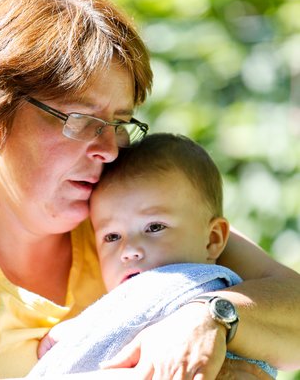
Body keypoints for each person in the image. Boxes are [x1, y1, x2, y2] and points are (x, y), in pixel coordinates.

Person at [0, 0, 299, 379]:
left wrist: (212, 317)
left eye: (119, 122)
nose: (110, 150)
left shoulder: (125, 206)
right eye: (81, 119)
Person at [30, 133, 276, 379]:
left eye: (154, 227)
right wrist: (83, 332)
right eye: (112, 237)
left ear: (212, 239)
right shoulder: (120, 303)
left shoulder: (195, 287)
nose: (129, 250)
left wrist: (76, 340)